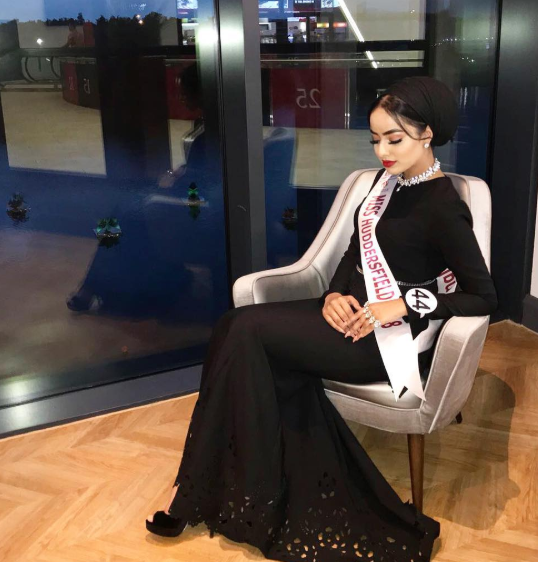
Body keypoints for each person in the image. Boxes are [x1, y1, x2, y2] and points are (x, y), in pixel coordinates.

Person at [145, 76, 498, 561]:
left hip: (385, 340)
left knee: (244, 329)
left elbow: (483, 296)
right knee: (235, 327)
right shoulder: (384, 186)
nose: (383, 152)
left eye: (394, 139)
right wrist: (333, 293)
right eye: (375, 140)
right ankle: (215, 487)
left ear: (427, 134)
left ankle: (198, 492)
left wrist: (404, 304)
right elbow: (354, 254)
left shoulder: (443, 206)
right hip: (345, 317)